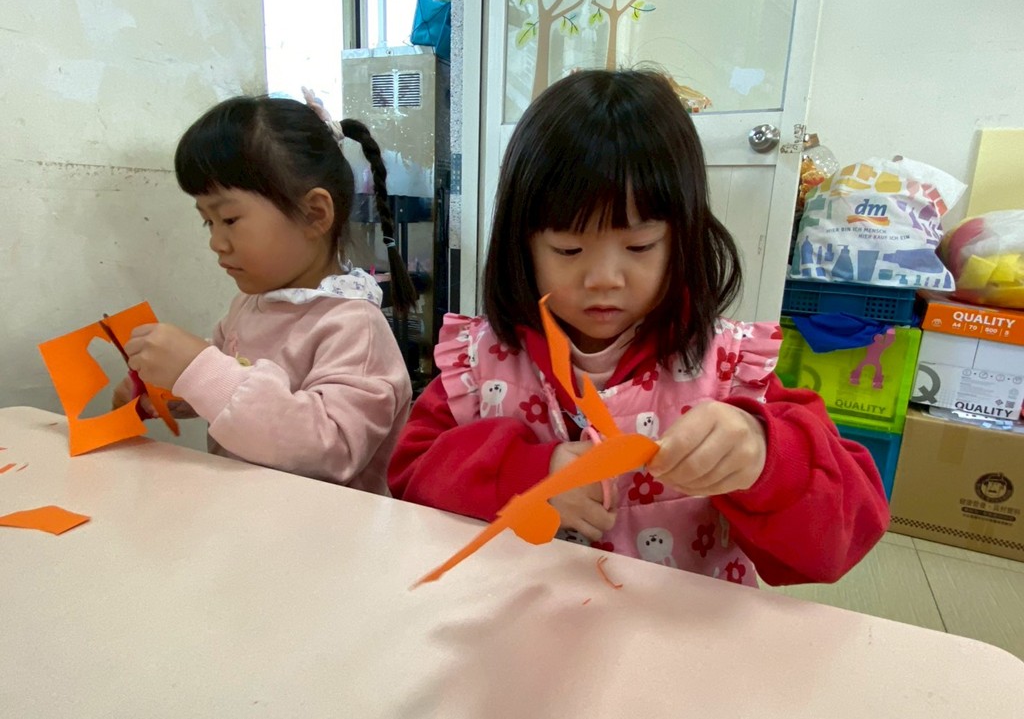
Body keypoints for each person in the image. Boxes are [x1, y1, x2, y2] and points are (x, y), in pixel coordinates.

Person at [389, 69, 889, 585]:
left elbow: (844, 537)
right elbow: (409, 480)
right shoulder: (479, 363)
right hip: (527, 618)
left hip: (676, 627)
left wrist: (764, 457)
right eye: (568, 250)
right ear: (523, 247)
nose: (604, 279)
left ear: (683, 240)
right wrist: (528, 476)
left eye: (639, 246)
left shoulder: (730, 369)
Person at [113, 95, 413, 494]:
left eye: (229, 219)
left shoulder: (354, 326)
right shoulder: (249, 306)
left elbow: (331, 450)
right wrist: (174, 391)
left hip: (325, 527)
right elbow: (232, 394)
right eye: (208, 223)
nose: (216, 242)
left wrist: (199, 370)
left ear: (314, 214)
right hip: (245, 514)